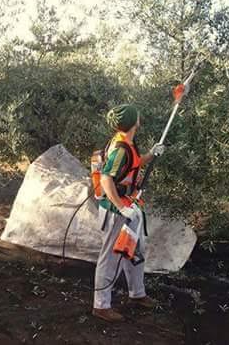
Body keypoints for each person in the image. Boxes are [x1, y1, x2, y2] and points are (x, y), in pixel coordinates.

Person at [92, 103, 165, 322]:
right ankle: (101, 305)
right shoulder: (120, 149)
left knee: (134, 251)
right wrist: (122, 207)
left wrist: (152, 154)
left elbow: (135, 163)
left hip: (130, 205)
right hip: (117, 210)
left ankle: (137, 294)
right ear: (135, 121)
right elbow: (106, 179)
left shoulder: (126, 143)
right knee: (111, 257)